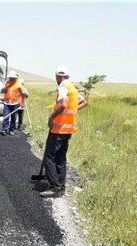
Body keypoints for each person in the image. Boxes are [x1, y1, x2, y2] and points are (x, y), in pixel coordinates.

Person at [39, 66, 87, 197]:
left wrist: (51, 117)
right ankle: (60, 187)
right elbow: (84, 101)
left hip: (59, 128)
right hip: (68, 129)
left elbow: (63, 104)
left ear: (57, 76)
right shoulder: (71, 86)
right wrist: (72, 111)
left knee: (49, 157)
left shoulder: (63, 87)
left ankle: (55, 188)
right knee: (60, 157)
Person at [0, 71, 25, 136]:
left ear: (15, 78)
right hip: (7, 102)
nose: (11, 79)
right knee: (6, 116)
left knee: (13, 117)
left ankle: (11, 130)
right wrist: (6, 87)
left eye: (13, 78)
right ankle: (4, 130)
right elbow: (2, 91)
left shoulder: (19, 84)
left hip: (16, 103)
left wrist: (22, 102)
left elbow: (23, 94)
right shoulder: (6, 83)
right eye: (10, 77)